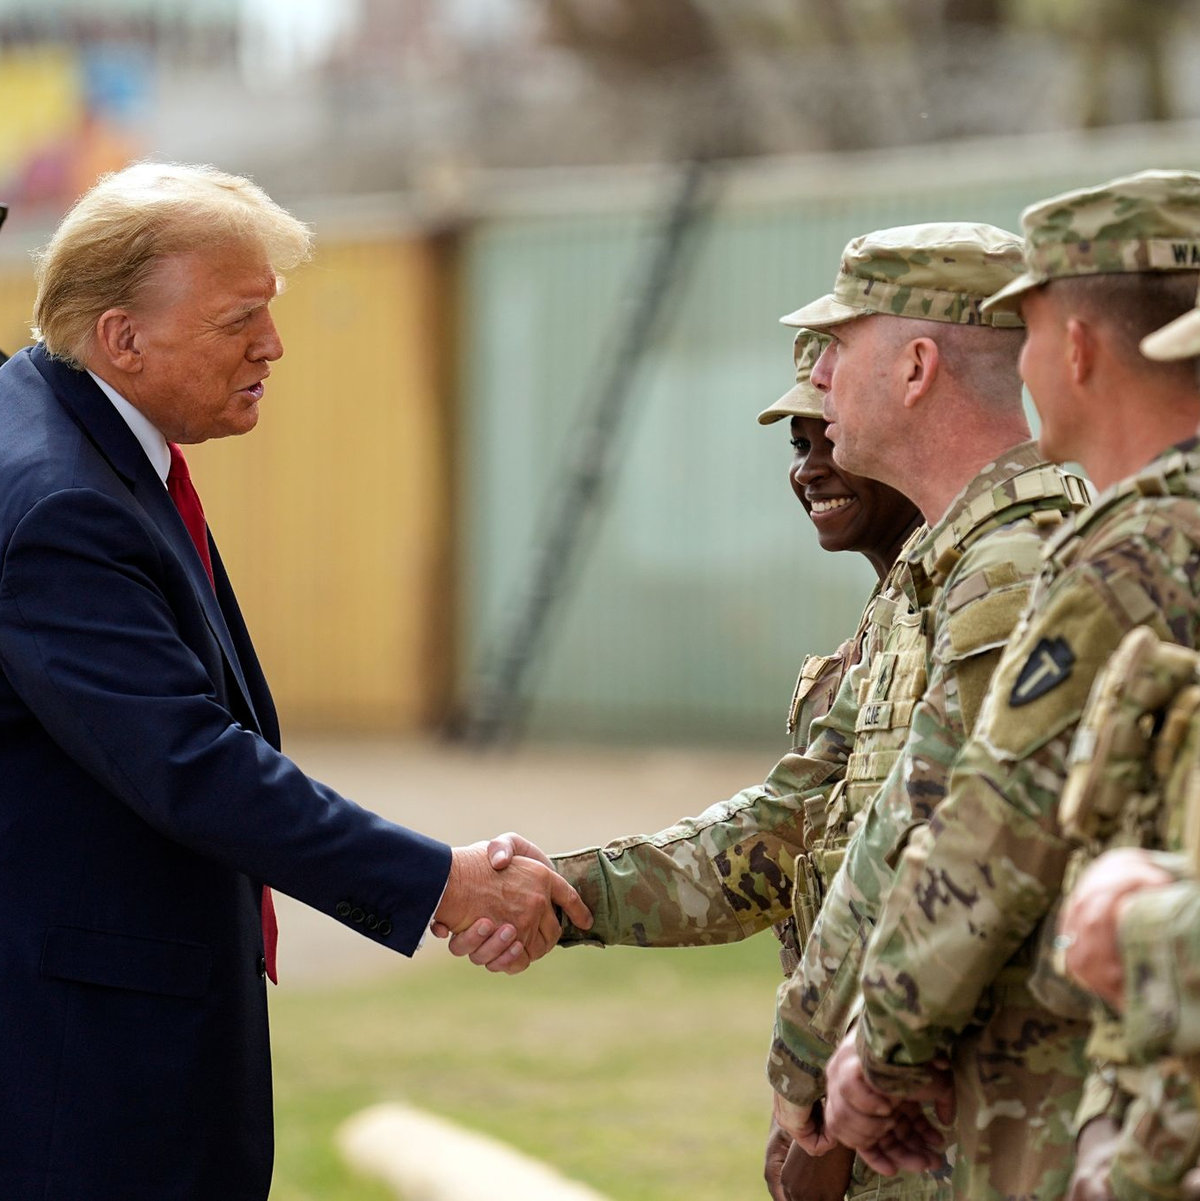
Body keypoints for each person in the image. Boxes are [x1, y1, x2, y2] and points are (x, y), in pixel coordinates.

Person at [446, 225, 1091, 1200]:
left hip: (983, 1137)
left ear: (917, 366)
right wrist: (572, 894)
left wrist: (816, 1097)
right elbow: (793, 822)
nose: (821, 380)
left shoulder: (1017, 570)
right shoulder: (932, 583)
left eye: (839, 351)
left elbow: (953, 863)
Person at [0, 161, 590, 1200]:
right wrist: (443, 881)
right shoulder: (61, 503)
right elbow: (188, 762)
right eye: (240, 319)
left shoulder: (62, 423)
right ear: (122, 339)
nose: (272, 346)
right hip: (86, 1067)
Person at [831, 169, 1200, 1200]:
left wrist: (879, 1047)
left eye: (1029, 334)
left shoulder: (1130, 554)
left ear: (1076, 348)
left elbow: (994, 824)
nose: (1026, 366)